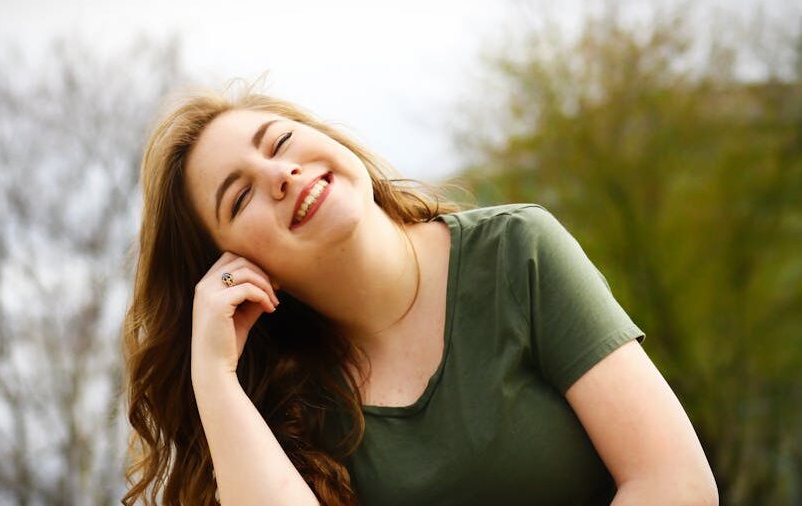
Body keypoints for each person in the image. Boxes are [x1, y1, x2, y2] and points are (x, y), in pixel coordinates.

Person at [121, 85, 718, 506]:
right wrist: (214, 377)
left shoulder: (517, 251)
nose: (280, 175)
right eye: (240, 197)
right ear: (231, 268)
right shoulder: (286, 404)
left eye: (279, 142)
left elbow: (676, 483)